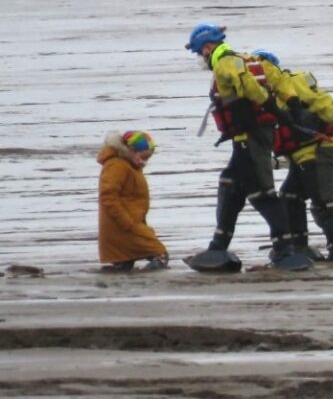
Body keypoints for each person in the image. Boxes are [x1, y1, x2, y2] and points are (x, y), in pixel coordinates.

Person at [183, 23, 311, 272]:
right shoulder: (249, 59)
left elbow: (250, 87)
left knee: (262, 193)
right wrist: (292, 102)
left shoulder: (225, 63)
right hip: (251, 136)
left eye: (200, 53)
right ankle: (218, 246)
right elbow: (279, 78)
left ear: (208, 48)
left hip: (250, 137)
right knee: (230, 184)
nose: (201, 58)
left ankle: (286, 250)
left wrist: (274, 107)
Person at [252, 49, 333, 265]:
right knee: (290, 196)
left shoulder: (295, 81)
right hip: (300, 157)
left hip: (318, 150)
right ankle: (300, 246)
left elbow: (322, 101)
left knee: (323, 202)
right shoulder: (264, 97)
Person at [97, 130, 169, 271]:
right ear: (129, 150)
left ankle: (123, 263)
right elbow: (108, 195)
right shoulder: (117, 165)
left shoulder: (129, 164)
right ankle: (126, 263)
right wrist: (125, 221)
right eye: (143, 157)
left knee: (125, 253)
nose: (144, 162)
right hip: (123, 222)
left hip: (130, 221)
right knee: (159, 251)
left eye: (147, 159)